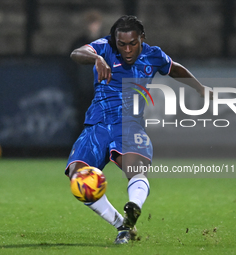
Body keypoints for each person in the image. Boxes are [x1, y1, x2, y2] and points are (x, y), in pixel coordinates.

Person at [65, 15, 212, 244]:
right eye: (121, 44)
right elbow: (76, 53)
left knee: (134, 168)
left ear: (141, 38)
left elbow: (175, 69)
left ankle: (134, 207)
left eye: (132, 43)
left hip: (129, 125)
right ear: (115, 40)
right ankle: (122, 226)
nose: (127, 49)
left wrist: (199, 88)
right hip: (97, 124)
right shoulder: (104, 47)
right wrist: (96, 59)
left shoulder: (153, 55)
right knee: (77, 176)